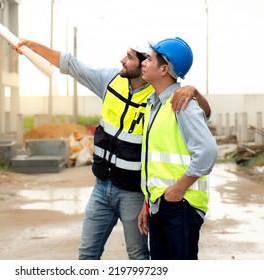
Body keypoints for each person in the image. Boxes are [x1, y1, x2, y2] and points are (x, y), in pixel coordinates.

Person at [13, 38, 210, 260]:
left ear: (147, 64)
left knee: (138, 256)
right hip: (103, 187)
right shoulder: (115, 83)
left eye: (130, 57)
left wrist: (193, 91)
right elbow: (71, 64)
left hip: (135, 193)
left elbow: (202, 117)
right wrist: (33, 47)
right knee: (87, 254)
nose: (122, 60)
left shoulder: (160, 98)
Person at [138, 37, 218, 260]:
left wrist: (179, 189)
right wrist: (148, 204)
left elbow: (208, 152)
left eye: (150, 59)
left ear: (164, 69)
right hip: (161, 205)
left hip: (180, 205)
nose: (143, 62)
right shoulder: (156, 104)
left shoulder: (181, 103)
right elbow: (156, 165)